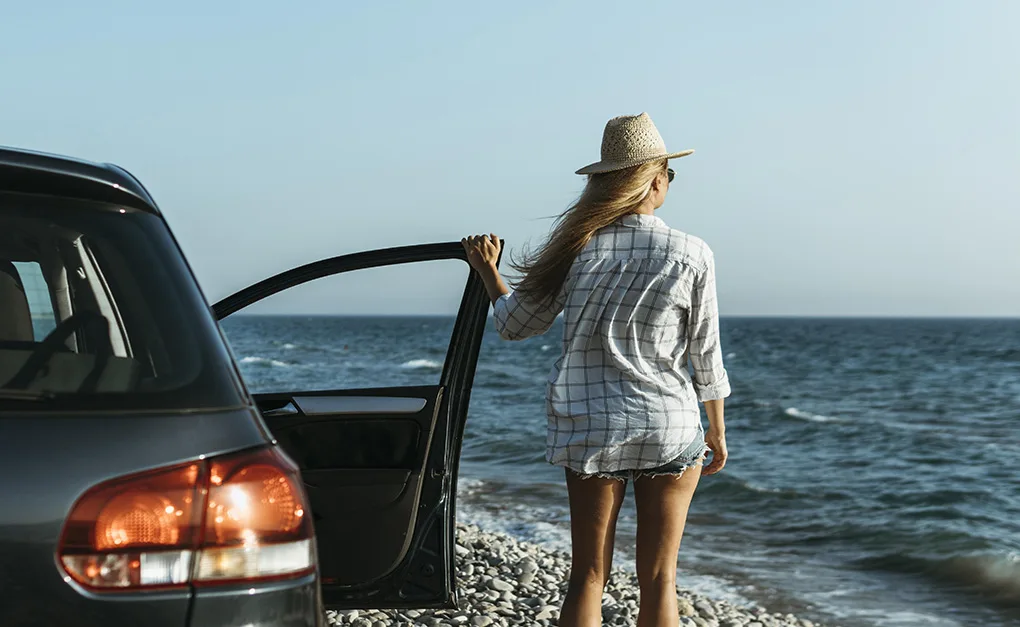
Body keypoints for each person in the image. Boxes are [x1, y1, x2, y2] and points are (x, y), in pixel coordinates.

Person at [461, 112, 730, 627]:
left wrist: (489, 273)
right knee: (660, 580)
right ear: (655, 180)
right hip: (670, 426)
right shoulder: (693, 252)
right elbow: (705, 354)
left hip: (591, 426)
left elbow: (516, 324)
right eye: (668, 174)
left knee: (587, 575)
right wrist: (715, 430)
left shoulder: (577, 248)